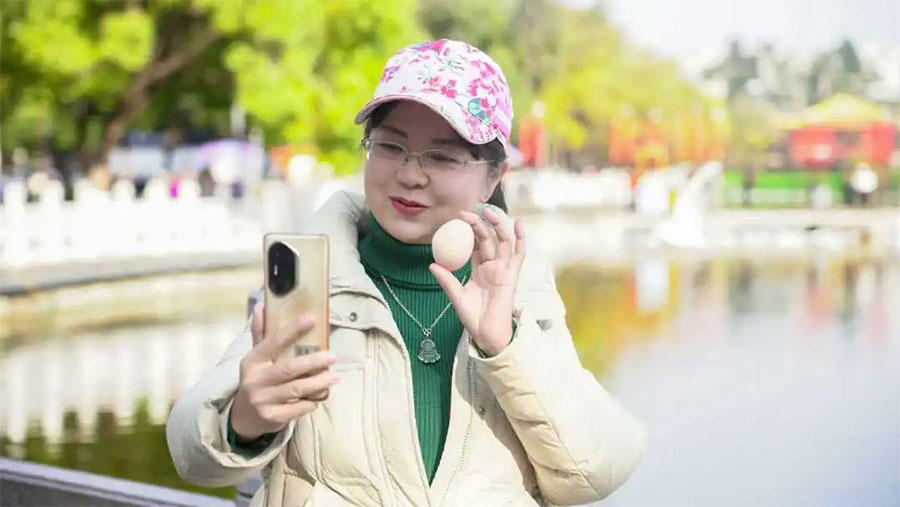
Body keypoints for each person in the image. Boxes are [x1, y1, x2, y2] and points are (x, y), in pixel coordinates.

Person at [167, 39, 645, 506]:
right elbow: (193, 455)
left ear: (493, 177)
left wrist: (505, 347)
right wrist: (245, 419)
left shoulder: (521, 289)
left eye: (442, 156)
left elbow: (594, 473)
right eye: (391, 146)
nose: (411, 175)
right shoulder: (311, 274)